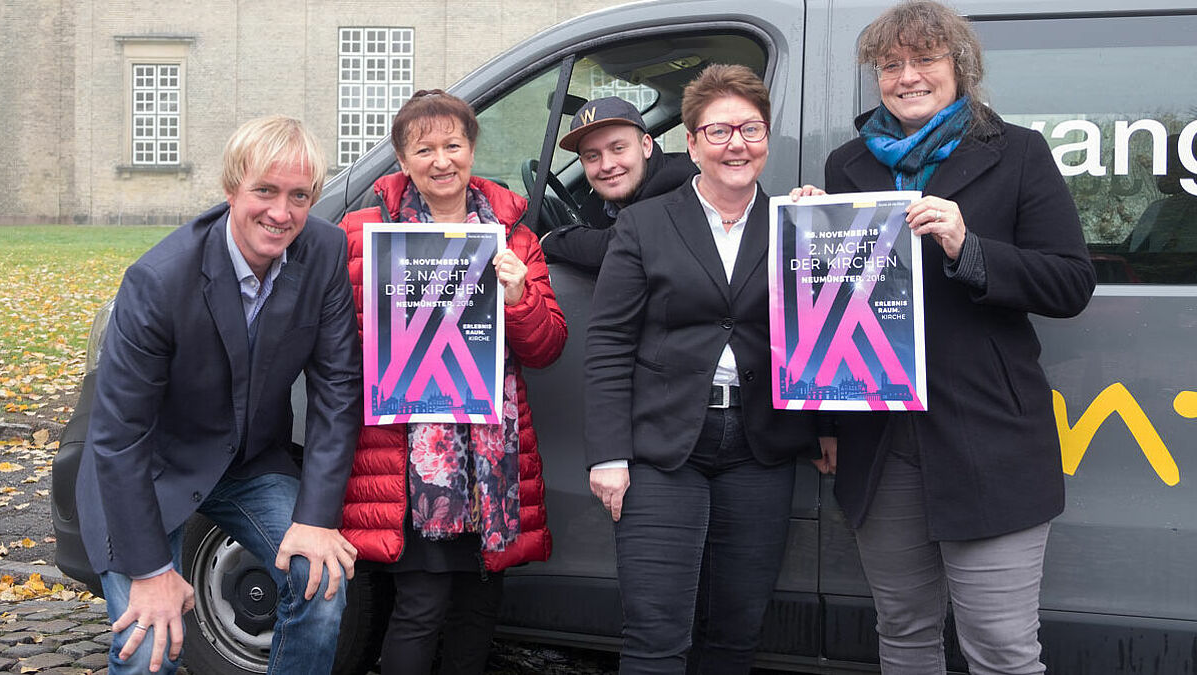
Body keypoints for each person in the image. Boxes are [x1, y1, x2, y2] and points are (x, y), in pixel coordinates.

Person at [820, 2, 1097, 673]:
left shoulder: (1019, 153)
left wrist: (968, 245)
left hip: (988, 438)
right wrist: (815, 231)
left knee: (1001, 648)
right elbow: (830, 317)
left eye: (924, 60)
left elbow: (1069, 283)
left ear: (960, 69)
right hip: (880, 444)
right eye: (891, 64)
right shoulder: (846, 166)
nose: (907, 76)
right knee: (904, 631)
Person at [76, 115, 362, 674]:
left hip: (249, 462)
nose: (281, 213)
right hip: (149, 470)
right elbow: (118, 439)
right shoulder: (158, 282)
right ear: (232, 187)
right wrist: (152, 572)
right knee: (148, 642)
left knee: (319, 586)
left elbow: (337, 389)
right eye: (265, 191)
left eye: (299, 196)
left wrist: (315, 517)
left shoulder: (324, 250)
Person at [584, 63, 823, 675]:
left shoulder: (796, 224)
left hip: (759, 445)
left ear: (767, 138)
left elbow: (826, 332)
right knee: (657, 635)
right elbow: (609, 343)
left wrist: (832, 230)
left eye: (750, 129)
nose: (735, 144)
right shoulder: (645, 223)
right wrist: (609, 455)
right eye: (717, 131)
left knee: (736, 634)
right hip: (663, 449)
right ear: (690, 144)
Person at [337, 89, 567, 675]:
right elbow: (336, 340)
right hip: (410, 466)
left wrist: (517, 296)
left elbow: (546, 348)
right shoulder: (363, 233)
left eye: (453, 145)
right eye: (424, 149)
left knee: (478, 608)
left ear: (471, 148)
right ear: (402, 158)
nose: (441, 160)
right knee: (419, 606)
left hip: (492, 464)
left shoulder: (513, 233)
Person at [539, 96, 697, 270]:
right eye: (592, 156)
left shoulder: (682, 188)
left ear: (646, 146)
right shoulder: (603, 201)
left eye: (618, 148)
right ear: (583, 163)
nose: (606, 165)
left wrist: (550, 240)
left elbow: (620, 245)